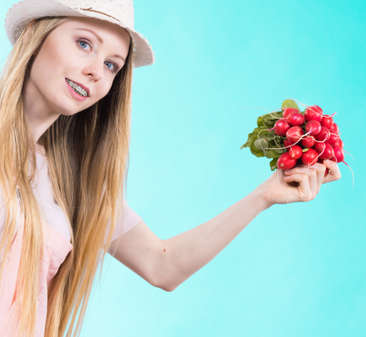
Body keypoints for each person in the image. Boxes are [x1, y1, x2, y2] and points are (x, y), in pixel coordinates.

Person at [0, 1, 342, 337]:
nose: (95, 71)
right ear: (37, 33)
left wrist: (264, 196)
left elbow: (162, 265)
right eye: (83, 43)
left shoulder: (69, 184)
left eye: (111, 65)